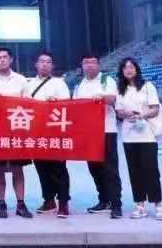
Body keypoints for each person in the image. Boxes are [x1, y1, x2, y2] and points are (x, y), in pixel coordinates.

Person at [0, 47, 32, 219]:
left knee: (18, 168)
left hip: (17, 130)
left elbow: (29, 104)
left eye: (5, 57)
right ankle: (1, 203)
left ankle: (21, 204)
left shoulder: (21, 80)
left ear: (11, 59)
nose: (2, 60)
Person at [115, 57, 162, 221]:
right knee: (134, 172)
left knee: (151, 170)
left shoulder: (147, 86)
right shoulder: (120, 89)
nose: (128, 70)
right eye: (125, 67)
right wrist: (125, 114)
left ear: (136, 69)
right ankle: (140, 205)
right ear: (122, 71)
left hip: (147, 135)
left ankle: (158, 205)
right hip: (128, 136)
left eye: (131, 67)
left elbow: (155, 109)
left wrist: (141, 115)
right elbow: (118, 112)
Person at [73, 54, 123, 219]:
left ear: (98, 65)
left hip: (106, 131)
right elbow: (75, 107)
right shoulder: (80, 84)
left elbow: (112, 99)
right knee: (94, 168)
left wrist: (102, 97)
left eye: (92, 62)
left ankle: (116, 204)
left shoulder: (106, 80)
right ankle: (104, 200)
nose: (89, 65)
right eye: (86, 63)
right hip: (88, 133)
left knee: (110, 168)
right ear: (82, 66)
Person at [25, 51, 72, 218]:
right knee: (41, 168)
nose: (44, 64)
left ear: (52, 66)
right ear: (36, 64)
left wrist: (56, 103)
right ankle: (49, 200)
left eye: (48, 62)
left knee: (59, 168)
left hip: (55, 132)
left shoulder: (59, 83)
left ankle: (63, 202)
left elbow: (68, 105)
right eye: (42, 61)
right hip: (36, 132)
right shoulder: (29, 84)